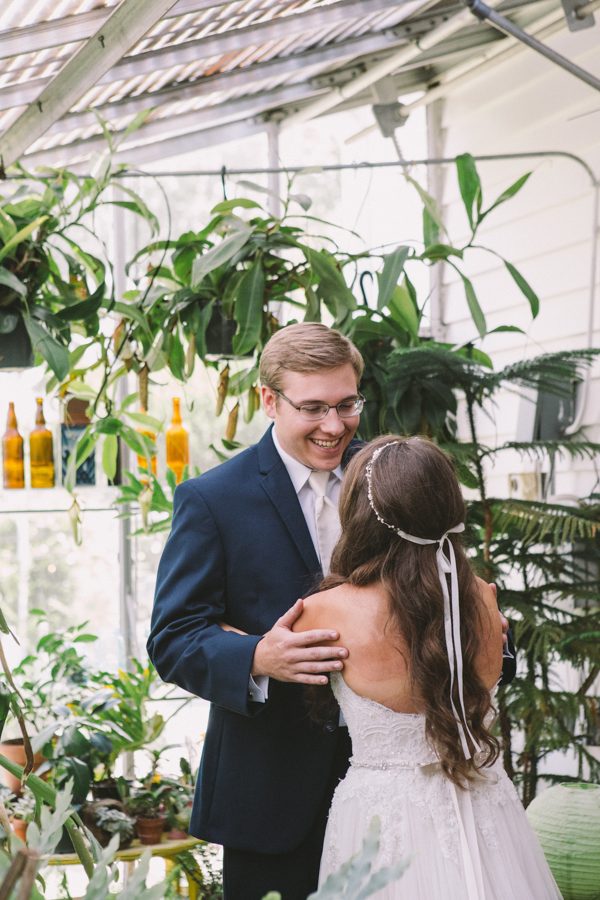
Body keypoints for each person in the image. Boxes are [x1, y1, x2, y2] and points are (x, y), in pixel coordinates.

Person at [147, 323, 365, 900]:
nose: (333, 425)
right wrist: (256, 656)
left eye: (347, 405)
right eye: (313, 407)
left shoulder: (388, 475)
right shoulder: (212, 499)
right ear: (269, 400)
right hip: (270, 794)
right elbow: (173, 637)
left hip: (387, 785)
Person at [294, 435, 560, 899]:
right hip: (483, 800)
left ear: (361, 514)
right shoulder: (482, 597)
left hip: (382, 816)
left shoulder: (325, 612)